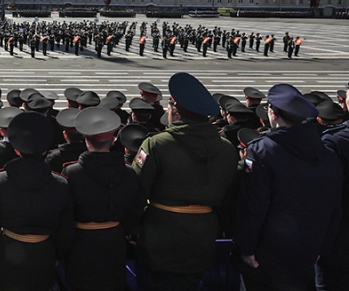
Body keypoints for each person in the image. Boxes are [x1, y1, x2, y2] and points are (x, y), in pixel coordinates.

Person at [132, 72, 237, 291]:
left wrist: (131, 229)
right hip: (203, 236)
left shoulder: (157, 144)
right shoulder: (226, 148)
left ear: (176, 112)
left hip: (160, 235)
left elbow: (137, 192)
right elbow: (229, 199)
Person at [236, 84, 343, 291]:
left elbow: (254, 205)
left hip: (267, 253)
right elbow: (334, 206)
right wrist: (322, 248)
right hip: (307, 251)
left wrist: (246, 248)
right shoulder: (327, 152)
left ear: (273, 114)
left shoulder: (263, 151)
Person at [0, 111, 74, 291]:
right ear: (45, 151)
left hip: (9, 250)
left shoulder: (1, 180)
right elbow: (66, 228)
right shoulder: (60, 183)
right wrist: (59, 254)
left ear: (16, 150)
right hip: (44, 252)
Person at [63, 106, 142, 291]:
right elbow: (134, 210)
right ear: (113, 140)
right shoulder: (128, 173)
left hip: (81, 241)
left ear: (86, 140)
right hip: (114, 239)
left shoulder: (72, 173)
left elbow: (66, 213)